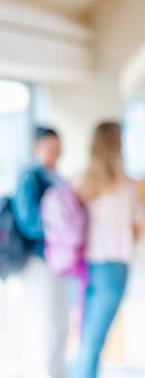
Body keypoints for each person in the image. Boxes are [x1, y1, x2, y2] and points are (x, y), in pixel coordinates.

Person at [70, 121, 145, 378]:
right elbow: (137, 230)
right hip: (114, 268)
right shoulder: (127, 186)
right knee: (93, 342)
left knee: (85, 338)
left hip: (82, 267)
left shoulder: (79, 182)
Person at [11, 126, 70, 378]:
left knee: (59, 320)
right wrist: (62, 229)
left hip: (58, 261)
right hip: (38, 260)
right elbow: (29, 222)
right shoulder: (29, 178)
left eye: (58, 147)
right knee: (43, 321)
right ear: (37, 147)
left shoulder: (57, 177)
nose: (55, 153)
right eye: (49, 147)